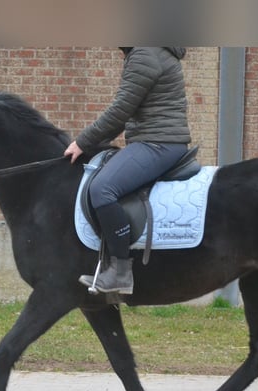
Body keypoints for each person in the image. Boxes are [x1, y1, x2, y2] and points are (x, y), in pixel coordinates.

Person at [65, 47, 192, 295]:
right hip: (155, 141)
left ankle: (120, 272)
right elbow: (126, 114)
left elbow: (120, 110)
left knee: (102, 189)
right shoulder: (149, 51)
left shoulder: (146, 54)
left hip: (158, 144)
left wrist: (82, 142)